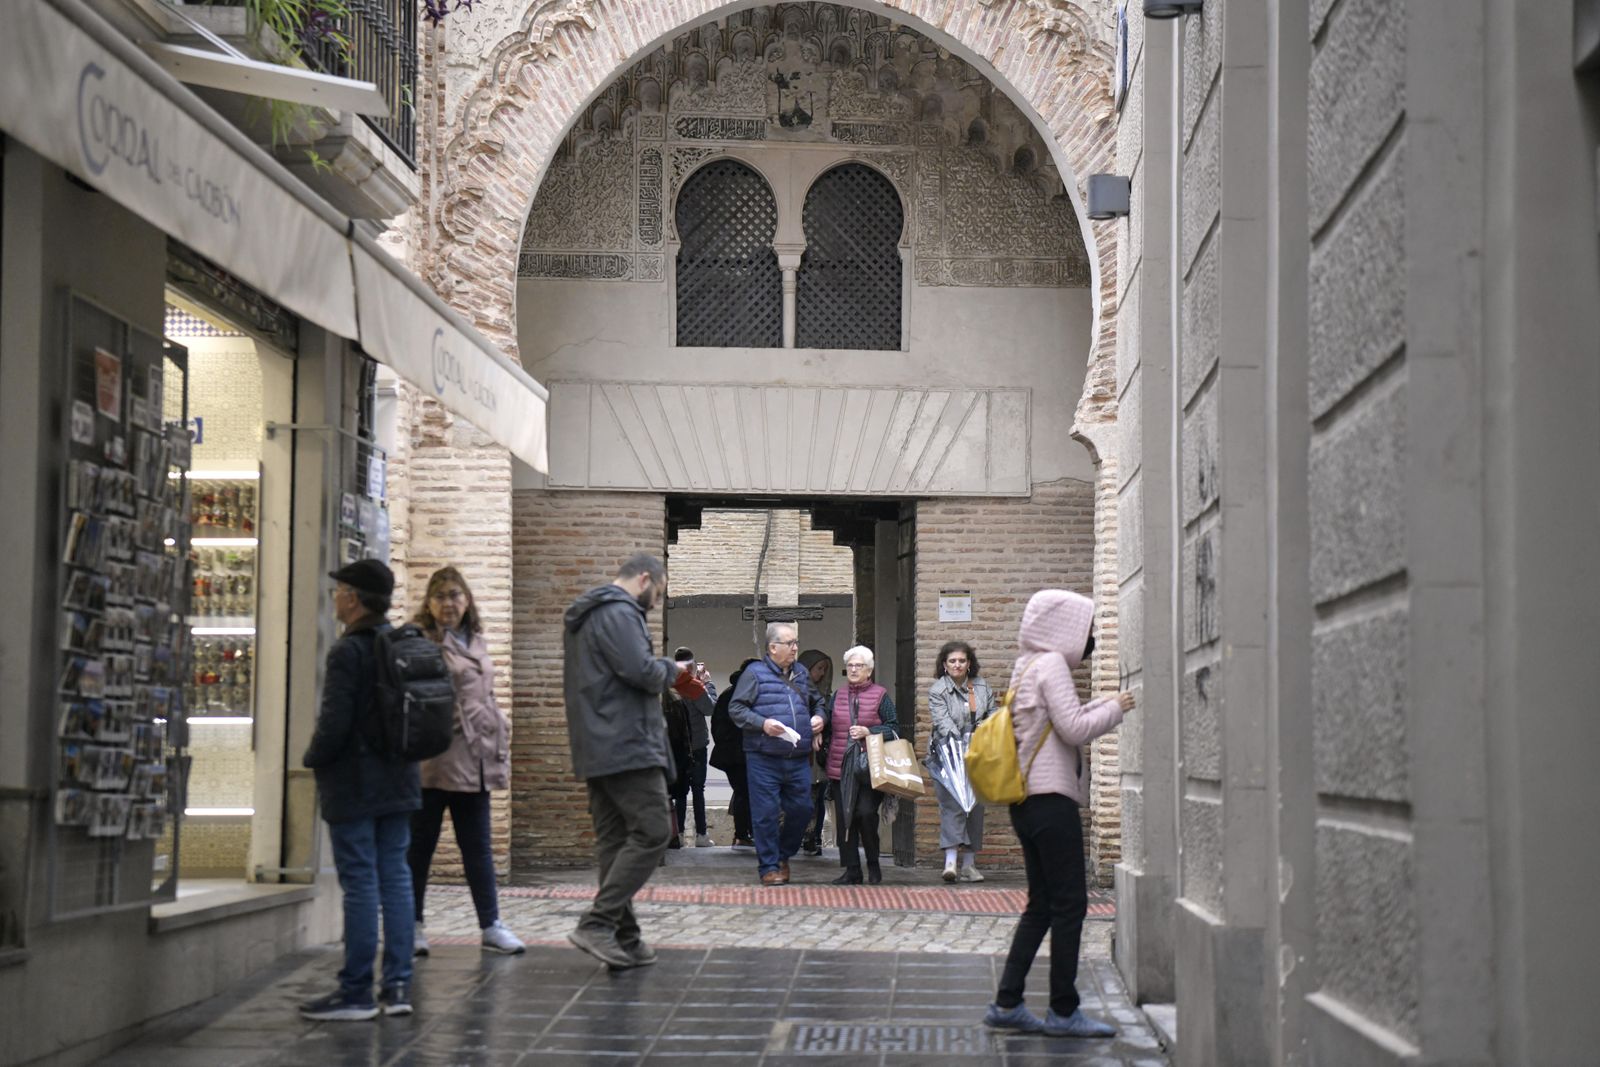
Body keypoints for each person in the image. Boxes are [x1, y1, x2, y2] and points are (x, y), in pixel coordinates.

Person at [984, 589, 1135, 1038]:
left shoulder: (1026, 665)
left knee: (1042, 907)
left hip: (1026, 804)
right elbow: (1074, 728)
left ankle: (1008, 1002)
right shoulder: (1051, 665)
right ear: (1063, 627)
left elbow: (1055, 723)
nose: (1090, 639)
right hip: (1052, 802)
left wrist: (1099, 705)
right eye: (1086, 628)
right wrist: (1115, 709)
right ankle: (1064, 1011)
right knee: (1070, 905)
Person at [300, 560, 418, 1020]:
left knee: (361, 883)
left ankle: (355, 992)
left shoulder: (348, 652)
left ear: (354, 598)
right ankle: (398, 987)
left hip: (356, 782)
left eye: (340, 591)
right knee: (396, 878)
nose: (335, 598)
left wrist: (311, 760)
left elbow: (334, 724)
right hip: (400, 780)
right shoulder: (403, 643)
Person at [562, 554, 687, 968]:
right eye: (659, 592)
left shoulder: (591, 614)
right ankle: (597, 923)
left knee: (615, 843)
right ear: (646, 579)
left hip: (598, 744)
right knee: (653, 831)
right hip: (627, 742)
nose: (655, 602)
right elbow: (643, 673)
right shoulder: (619, 612)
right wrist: (673, 668)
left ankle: (625, 936)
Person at [406, 566, 524, 958]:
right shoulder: (421, 641)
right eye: (439, 596)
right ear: (429, 602)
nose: (448, 603)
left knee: (478, 847)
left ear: (467, 599)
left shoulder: (476, 639)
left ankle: (491, 925)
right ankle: (413, 927)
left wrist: (498, 725)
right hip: (434, 760)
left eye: (455, 594)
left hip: (475, 759)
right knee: (419, 848)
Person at [728, 622, 826, 886]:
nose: (795, 648)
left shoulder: (802, 673)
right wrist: (763, 724)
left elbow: (818, 701)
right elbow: (736, 709)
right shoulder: (755, 674)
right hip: (763, 757)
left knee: (803, 809)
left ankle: (783, 854)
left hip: (797, 757)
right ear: (773, 648)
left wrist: (820, 718)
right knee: (766, 813)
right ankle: (769, 867)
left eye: (796, 643)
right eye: (790, 643)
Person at [821, 646, 897, 884]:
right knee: (845, 819)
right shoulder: (838, 695)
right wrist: (819, 732)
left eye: (859, 666)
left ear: (869, 670)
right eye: (850, 666)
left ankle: (873, 864)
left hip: (868, 768)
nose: (853, 670)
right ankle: (852, 869)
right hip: (840, 767)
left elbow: (894, 727)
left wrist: (869, 731)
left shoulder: (880, 695)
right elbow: (830, 724)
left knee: (865, 814)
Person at [928, 640, 997, 883]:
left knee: (975, 809)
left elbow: (992, 714)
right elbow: (942, 721)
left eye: (962, 660)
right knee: (953, 806)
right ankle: (950, 863)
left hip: (978, 756)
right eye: (952, 661)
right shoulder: (938, 690)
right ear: (944, 665)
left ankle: (969, 864)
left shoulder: (981, 687)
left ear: (969, 663)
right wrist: (960, 742)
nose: (957, 665)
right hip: (947, 756)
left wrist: (984, 732)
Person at [664, 646, 716, 848]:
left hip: (676, 746)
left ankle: (679, 833)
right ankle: (701, 835)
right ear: (691, 665)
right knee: (698, 790)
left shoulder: (668, 685)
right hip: (697, 745)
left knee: (679, 791)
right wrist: (708, 684)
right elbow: (710, 709)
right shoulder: (695, 686)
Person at [709, 659, 758, 848]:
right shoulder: (737, 696)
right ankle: (743, 834)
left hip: (736, 753)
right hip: (738, 754)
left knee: (744, 792)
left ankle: (744, 833)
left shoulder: (732, 694)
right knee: (744, 792)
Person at [797, 649, 834, 856]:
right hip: (802, 755)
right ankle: (802, 836)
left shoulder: (825, 697)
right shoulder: (794, 692)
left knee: (817, 796)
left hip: (819, 757)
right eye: (818, 668)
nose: (821, 674)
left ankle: (813, 837)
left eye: (824, 670)